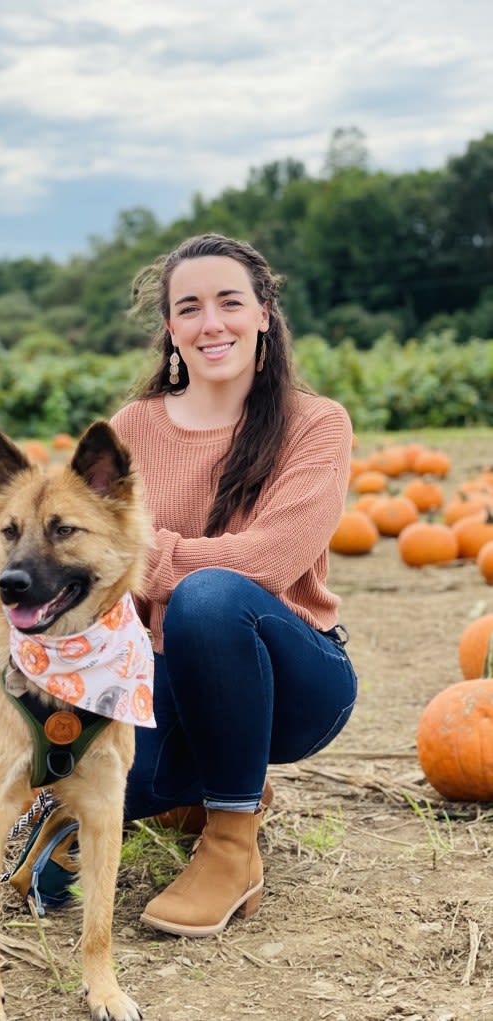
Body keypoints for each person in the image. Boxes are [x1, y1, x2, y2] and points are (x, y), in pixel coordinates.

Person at [109, 232, 358, 938]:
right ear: (170, 330)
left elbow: (268, 560)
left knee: (212, 594)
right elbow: (102, 571)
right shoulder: (134, 427)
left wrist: (138, 551)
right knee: (107, 779)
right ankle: (210, 784)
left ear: (263, 315)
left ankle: (230, 842)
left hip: (294, 676)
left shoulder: (316, 424)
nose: (210, 322)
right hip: (165, 672)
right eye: (189, 307)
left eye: (229, 302)